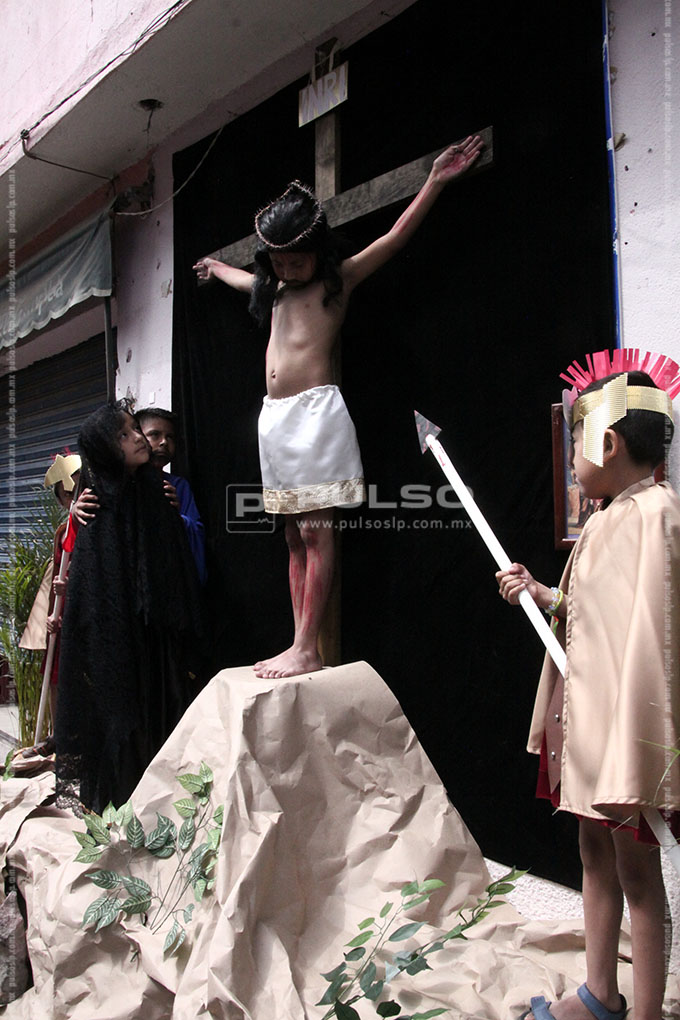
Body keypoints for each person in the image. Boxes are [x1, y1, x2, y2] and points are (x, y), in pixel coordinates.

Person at [194, 137, 483, 679]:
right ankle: (298, 641)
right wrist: (216, 267)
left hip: (314, 418)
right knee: (291, 536)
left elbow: (393, 239)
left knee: (315, 532)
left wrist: (435, 180)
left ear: (318, 254)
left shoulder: (337, 282)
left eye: (296, 261)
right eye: (279, 262)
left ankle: (308, 646)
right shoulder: (276, 290)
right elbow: (244, 279)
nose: (287, 270)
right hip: (275, 422)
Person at [496, 354, 680, 1020]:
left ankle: (647, 1012)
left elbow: (655, 633)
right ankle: (600, 993)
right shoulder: (606, 517)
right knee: (593, 852)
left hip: (623, 729)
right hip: (589, 723)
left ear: (607, 443)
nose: (572, 457)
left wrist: (642, 746)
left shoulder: (656, 515)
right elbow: (592, 613)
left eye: (576, 439)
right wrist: (544, 594)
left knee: (637, 873)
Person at [55, 401, 203, 814]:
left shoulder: (159, 492)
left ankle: (164, 802)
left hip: (157, 637)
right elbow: (93, 584)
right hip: (117, 640)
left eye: (134, 429)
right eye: (124, 434)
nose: (139, 438)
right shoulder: (94, 504)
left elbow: (176, 567)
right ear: (105, 448)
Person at [136, 406, 207, 585]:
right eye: (155, 435)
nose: (164, 442)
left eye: (170, 437)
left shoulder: (178, 486)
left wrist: (175, 517)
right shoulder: (123, 483)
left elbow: (196, 531)